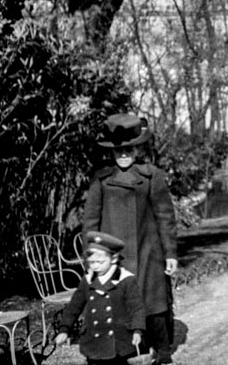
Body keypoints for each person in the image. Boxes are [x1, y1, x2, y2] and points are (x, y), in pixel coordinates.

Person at [82, 113, 179, 364]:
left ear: (138, 149)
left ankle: (162, 351)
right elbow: (90, 222)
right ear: (112, 152)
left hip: (149, 251)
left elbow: (165, 216)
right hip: (113, 255)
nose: (124, 155)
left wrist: (170, 253)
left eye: (129, 149)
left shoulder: (151, 176)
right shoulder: (101, 179)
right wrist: (91, 258)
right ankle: (118, 352)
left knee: (154, 304)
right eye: (119, 150)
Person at [54, 231, 146, 365]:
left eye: (100, 262)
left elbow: (137, 308)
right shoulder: (87, 280)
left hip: (119, 341)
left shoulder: (126, 280)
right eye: (91, 262)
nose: (95, 266)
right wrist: (64, 329)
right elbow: (74, 306)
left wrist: (137, 330)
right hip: (94, 339)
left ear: (114, 259)